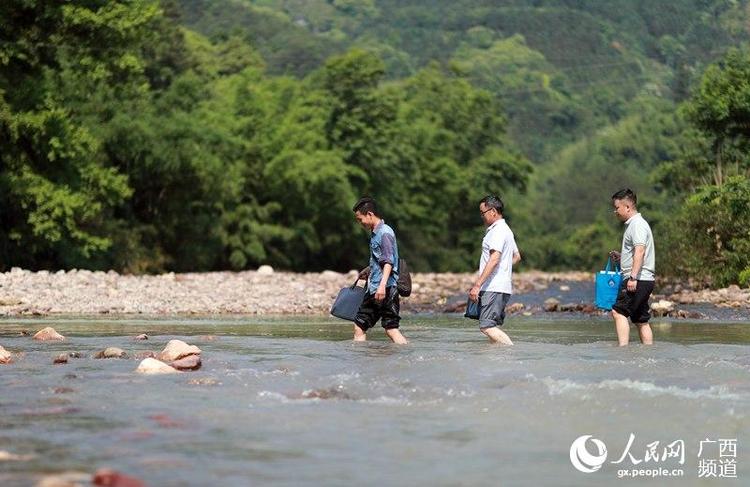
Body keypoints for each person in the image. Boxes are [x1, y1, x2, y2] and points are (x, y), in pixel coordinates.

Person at [351, 197, 408, 344]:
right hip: (379, 287)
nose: (360, 223)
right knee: (388, 328)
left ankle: (359, 362)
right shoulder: (376, 232)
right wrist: (369, 269)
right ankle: (406, 355)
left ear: (369, 214)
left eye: (360, 219)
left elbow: (388, 262)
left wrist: (382, 286)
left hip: (384, 288)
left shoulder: (385, 233)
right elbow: (381, 260)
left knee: (364, 326)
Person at [469, 195, 521, 345]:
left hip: (493, 286)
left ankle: (512, 352)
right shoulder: (506, 230)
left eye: (482, 212)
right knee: (491, 325)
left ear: (492, 211)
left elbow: (494, 258)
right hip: (500, 286)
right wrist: (503, 270)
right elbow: (516, 256)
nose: (481, 216)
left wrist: (477, 285)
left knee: (486, 326)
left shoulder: (497, 231)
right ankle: (496, 359)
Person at [609, 188, 656, 346]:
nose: (615, 211)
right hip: (644, 279)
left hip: (637, 279)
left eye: (617, 208)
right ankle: (649, 353)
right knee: (640, 319)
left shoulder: (637, 224)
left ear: (627, 207)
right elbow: (638, 252)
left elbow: (640, 250)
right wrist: (623, 258)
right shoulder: (635, 224)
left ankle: (623, 351)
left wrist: (632, 277)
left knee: (618, 312)